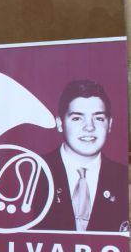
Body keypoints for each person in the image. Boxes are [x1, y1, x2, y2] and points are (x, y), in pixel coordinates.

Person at [34, 80, 127, 232]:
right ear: (60, 123)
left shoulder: (123, 176)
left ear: (109, 124)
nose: (89, 127)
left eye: (99, 118)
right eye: (77, 118)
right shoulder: (33, 172)